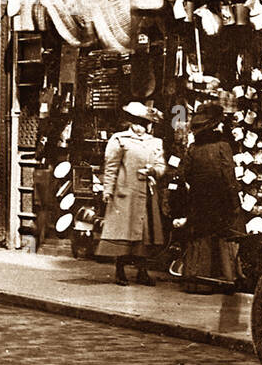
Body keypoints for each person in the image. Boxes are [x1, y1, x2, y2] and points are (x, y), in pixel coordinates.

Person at [97, 101, 167, 286]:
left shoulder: (155, 142)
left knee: (144, 234)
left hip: (146, 194)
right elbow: (111, 167)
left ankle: (142, 271)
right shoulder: (120, 140)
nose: (140, 128)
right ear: (130, 122)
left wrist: (153, 171)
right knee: (123, 232)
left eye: (144, 124)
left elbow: (161, 166)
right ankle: (120, 270)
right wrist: (108, 190)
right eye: (136, 123)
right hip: (125, 193)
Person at [178, 103, 241, 293]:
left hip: (198, 199)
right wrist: (235, 202)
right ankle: (227, 280)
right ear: (215, 126)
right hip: (220, 199)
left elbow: (185, 174)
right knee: (223, 238)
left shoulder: (193, 148)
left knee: (199, 238)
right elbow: (229, 176)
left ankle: (197, 282)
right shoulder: (223, 146)